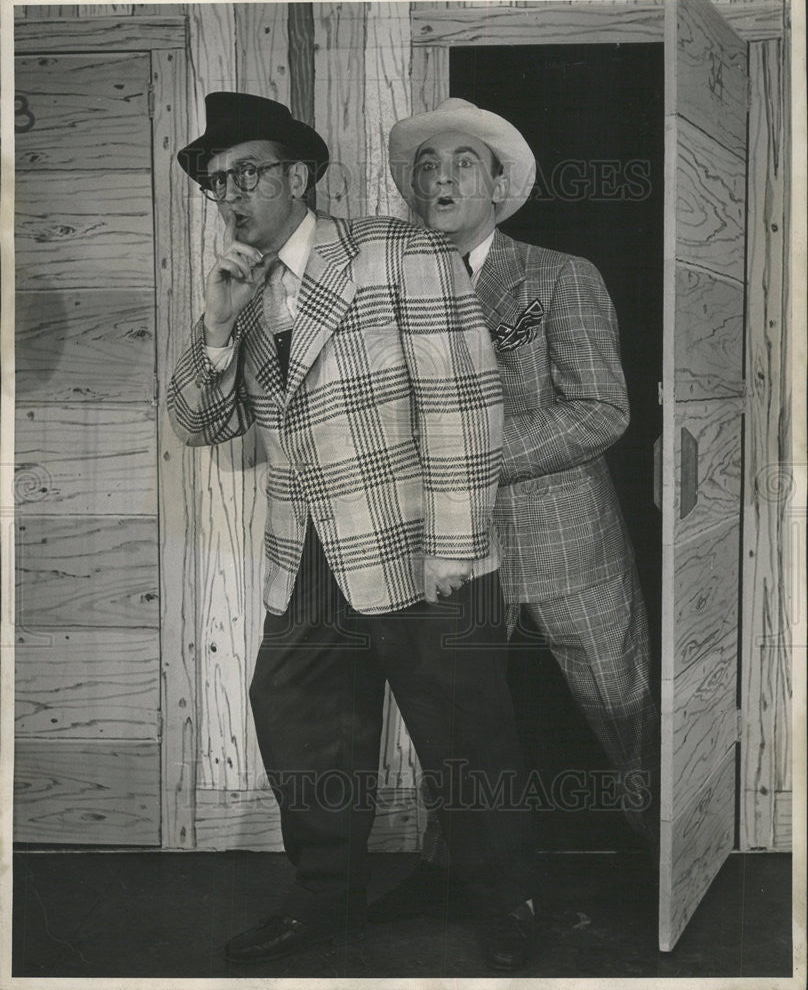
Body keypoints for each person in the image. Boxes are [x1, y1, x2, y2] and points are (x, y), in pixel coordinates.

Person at [168, 92, 539, 970]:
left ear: (298, 177)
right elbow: (200, 425)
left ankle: (511, 905)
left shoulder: (396, 250)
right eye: (218, 182)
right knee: (303, 734)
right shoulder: (246, 284)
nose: (231, 196)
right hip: (307, 560)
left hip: (421, 548)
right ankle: (326, 905)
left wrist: (454, 546)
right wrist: (218, 327)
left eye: (247, 173)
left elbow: (462, 404)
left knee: (467, 740)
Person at [373, 97, 660, 920]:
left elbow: (603, 409)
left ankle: (666, 851)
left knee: (624, 708)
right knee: (456, 723)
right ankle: (456, 869)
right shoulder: (393, 286)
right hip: (449, 552)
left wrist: (470, 454)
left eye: (464, 162)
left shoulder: (561, 275)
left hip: (570, 543)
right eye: (428, 164)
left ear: (499, 187)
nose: (441, 176)